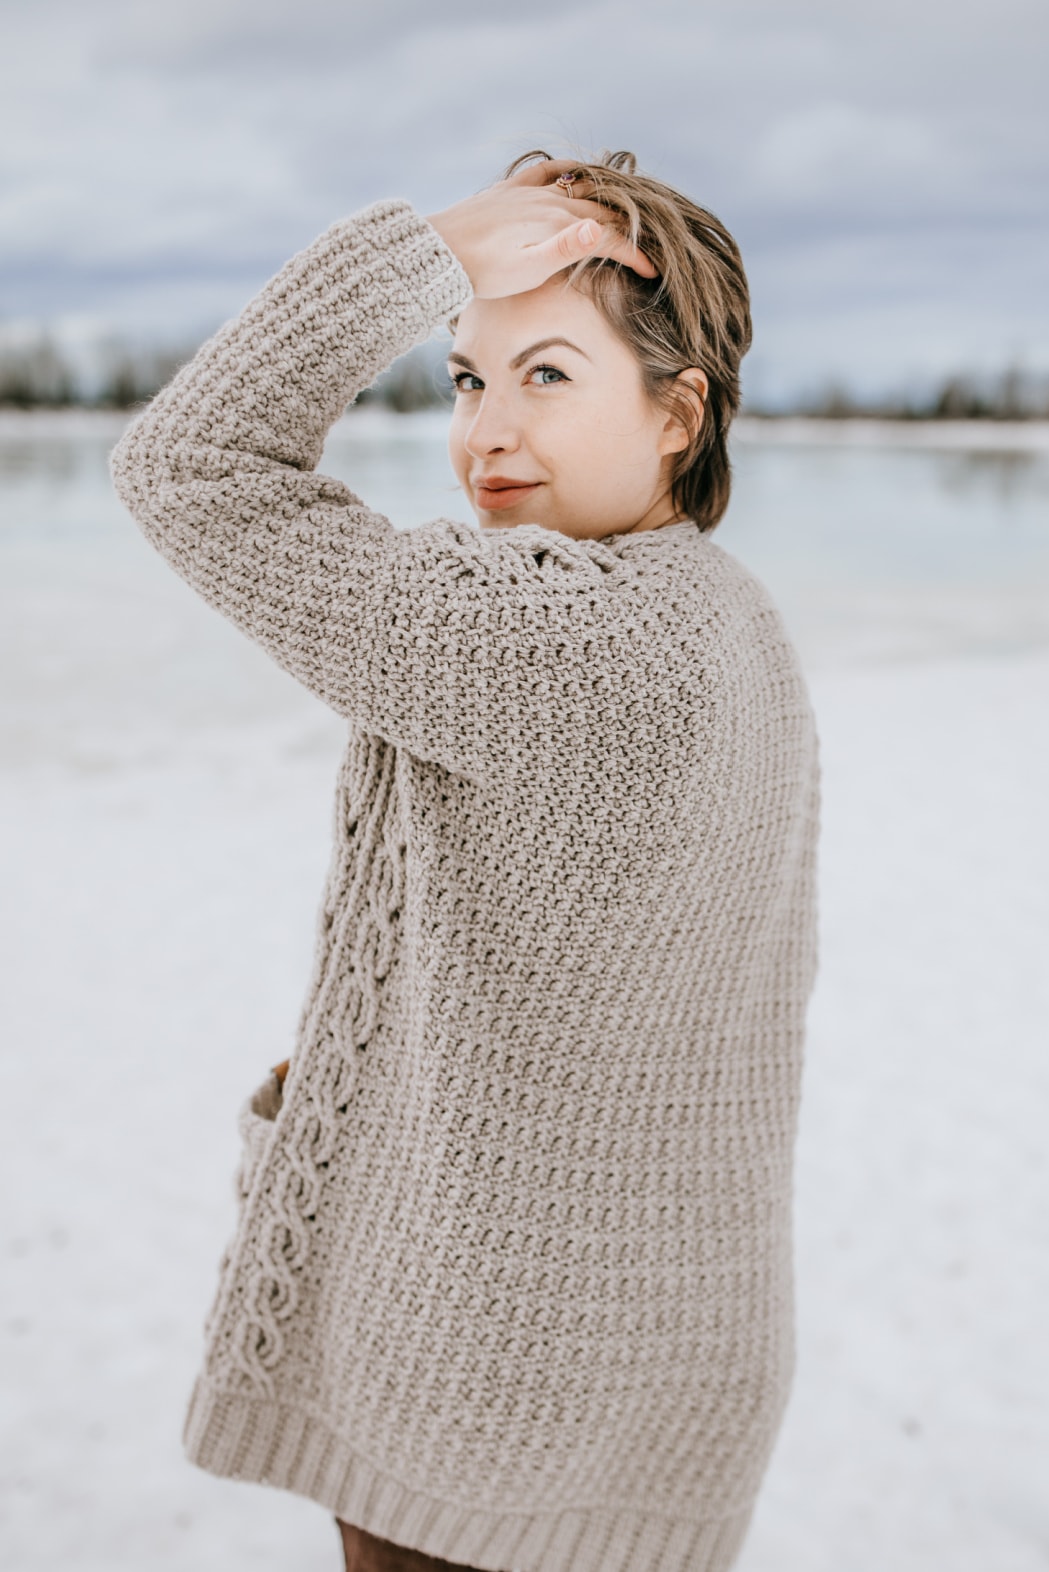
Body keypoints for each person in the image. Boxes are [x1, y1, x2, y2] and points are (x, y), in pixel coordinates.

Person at [110, 148, 821, 1572]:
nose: (487, 431)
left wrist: (422, 249)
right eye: (463, 376)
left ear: (678, 411)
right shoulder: (723, 617)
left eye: (546, 374)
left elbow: (188, 466)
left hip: (487, 1397)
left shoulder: (565, 639)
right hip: (644, 1364)